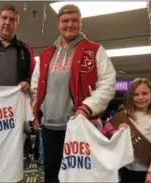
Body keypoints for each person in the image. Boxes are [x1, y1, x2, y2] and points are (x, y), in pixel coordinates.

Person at [31, 4, 116, 183]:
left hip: (82, 128)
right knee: (52, 174)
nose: (70, 25)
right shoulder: (46, 54)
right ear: (58, 23)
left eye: (74, 20)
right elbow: (35, 87)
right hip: (49, 128)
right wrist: (36, 108)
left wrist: (87, 108)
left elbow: (107, 84)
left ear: (81, 23)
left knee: (81, 176)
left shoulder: (94, 50)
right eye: (65, 21)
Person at [118, 78, 151, 183]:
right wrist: (118, 132)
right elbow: (115, 143)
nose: (140, 97)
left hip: (147, 171)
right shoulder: (125, 115)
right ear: (131, 97)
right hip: (126, 169)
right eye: (136, 94)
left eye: (145, 93)